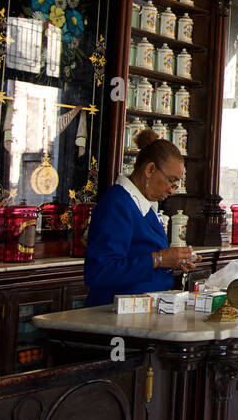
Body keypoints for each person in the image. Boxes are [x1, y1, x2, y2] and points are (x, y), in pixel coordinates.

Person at [84, 130, 196, 307]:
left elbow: (140, 256)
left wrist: (171, 262)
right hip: (114, 315)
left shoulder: (146, 206)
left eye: (176, 184)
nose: (172, 190)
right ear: (150, 169)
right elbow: (99, 271)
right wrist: (157, 259)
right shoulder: (117, 204)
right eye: (171, 181)